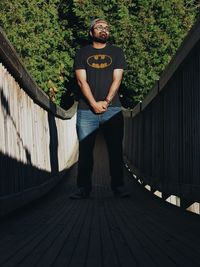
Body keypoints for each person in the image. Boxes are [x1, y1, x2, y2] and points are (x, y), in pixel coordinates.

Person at [70, 18, 129, 199]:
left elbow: (117, 79)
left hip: (113, 109)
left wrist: (107, 101)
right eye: (99, 27)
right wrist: (94, 103)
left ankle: (118, 187)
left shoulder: (117, 52)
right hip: (86, 110)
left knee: (115, 150)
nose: (104, 29)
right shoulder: (82, 53)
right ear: (91, 32)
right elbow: (81, 81)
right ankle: (83, 188)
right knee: (86, 150)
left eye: (106, 27)